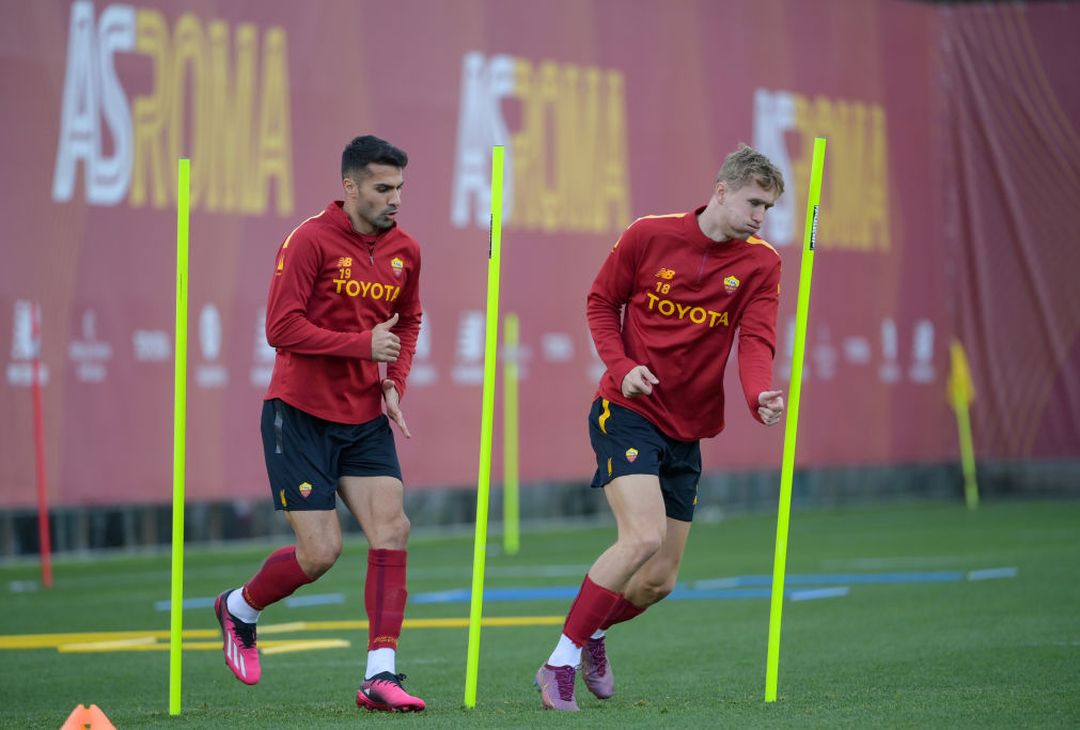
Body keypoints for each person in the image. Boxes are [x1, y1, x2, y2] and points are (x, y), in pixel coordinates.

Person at [535, 144, 787, 711]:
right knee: (642, 537)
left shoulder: (762, 262)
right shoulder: (649, 235)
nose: (759, 217)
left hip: (688, 427)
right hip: (626, 413)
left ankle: (595, 631)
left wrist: (757, 395)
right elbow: (601, 302)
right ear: (721, 191)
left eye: (768, 208)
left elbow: (756, 339)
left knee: (658, 580)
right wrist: (622, 370)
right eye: (753, 202)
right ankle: (560, 662)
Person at [214, 135, 426, 713]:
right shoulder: (309, 240)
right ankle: (239, 608)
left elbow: (407, 323)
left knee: (393, 529)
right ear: (350, 186)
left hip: (363, 418)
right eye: (383, 189)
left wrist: (392, 382)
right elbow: (280, 329)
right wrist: (363, 346)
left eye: (400, 188)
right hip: (299, 416)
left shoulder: (406, 248)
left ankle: (379, 676)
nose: (394, 200)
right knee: (321, 553)